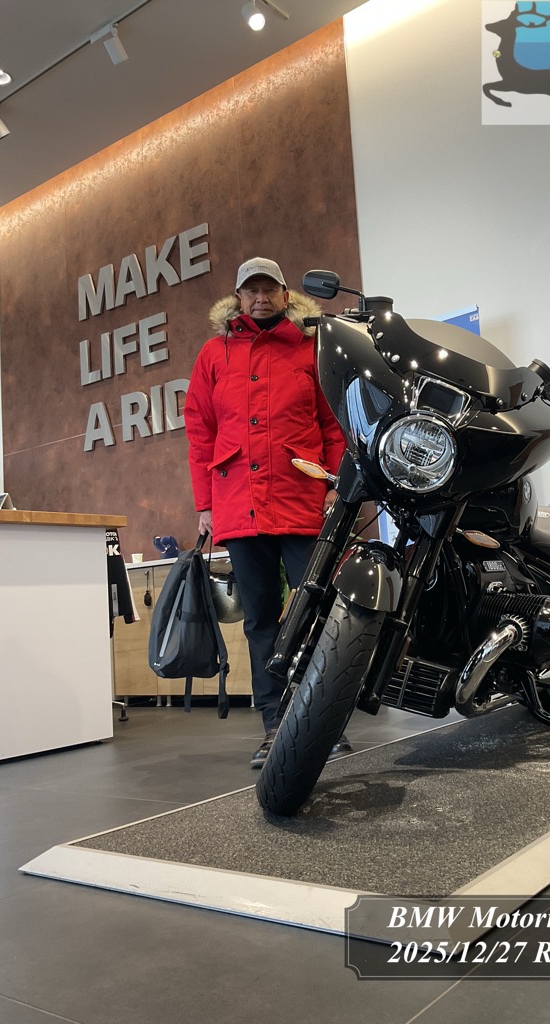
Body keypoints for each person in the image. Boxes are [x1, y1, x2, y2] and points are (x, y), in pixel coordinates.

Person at [184, 257, 352, 768]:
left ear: (284, 294)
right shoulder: (213, 354)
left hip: (303, 499)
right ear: (238, 297)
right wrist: (205, 504)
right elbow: (200, 433)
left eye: (268, 289)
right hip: (239, 503)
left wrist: (335, 485)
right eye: (250, 290)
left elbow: (335, 424)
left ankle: (322, 720)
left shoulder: (310, 347)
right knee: (259, 618)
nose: (260, 298)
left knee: (318, 611)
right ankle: (275, 724)